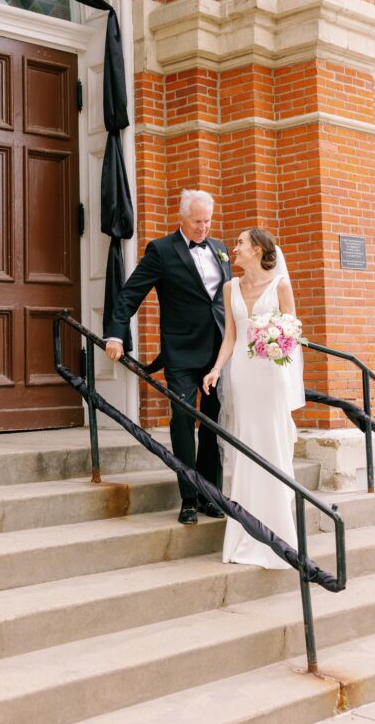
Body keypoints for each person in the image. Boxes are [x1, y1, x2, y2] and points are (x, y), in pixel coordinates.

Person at [105, 189, 232, 524]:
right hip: (181, 353)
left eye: (207, 221)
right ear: (181, 218)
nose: (203, 228)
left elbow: (226, 301)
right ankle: (188, 497)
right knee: (182, 418)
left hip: (217, 351)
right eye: (197, 222)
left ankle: (211, 495)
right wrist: (116, 334)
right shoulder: (161, 250)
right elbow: (131, 292)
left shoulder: (219, 249)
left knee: (212, 425)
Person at [202, 228, 305, 569]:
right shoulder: (230, 287)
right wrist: (216, 369)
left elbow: (292, 332)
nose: (235, 248)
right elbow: (230, 337)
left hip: (270, 375)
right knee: (247, 446)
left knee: (271, 445)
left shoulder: (281, 286)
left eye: (241, 244)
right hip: (243, 376)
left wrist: (277, 340)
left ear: (259, 250)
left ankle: (280, 534)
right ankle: (246, 533)